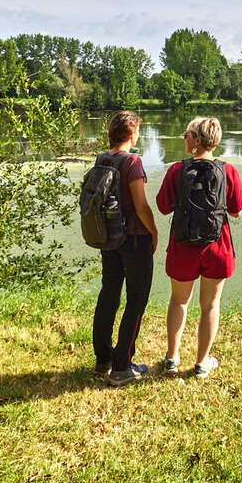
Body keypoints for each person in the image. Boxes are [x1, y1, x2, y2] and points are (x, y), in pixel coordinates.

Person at [156, 116, 242, 378]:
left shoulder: (176, 170)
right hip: (217, 246)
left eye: (186, 134)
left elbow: (162, 207)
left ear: (196, 140)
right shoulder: (228, 171)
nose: (183, 136)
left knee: (179, 301)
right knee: (210, 305)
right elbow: (237, 211)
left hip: (183, 246)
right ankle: (201, 363)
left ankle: (172, 359)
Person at [92, 110, 158, 387]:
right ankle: (122, 366)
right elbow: (141, 205)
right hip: (133, 239)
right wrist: (153, 232)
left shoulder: (102, 158)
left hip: (109, 238)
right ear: (131, 135)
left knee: (109, 294)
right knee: (137, 299)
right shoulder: (132, 162)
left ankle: (103, 359)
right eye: (138, 132)